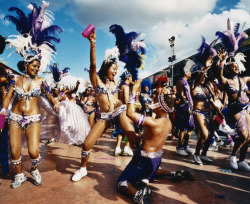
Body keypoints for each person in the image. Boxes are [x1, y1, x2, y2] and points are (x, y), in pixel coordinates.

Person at [1, 1, 62, 188]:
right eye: (33, 65)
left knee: (34, 151)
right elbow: (8, 98)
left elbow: (50, 95)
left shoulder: (41, 81)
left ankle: (34, 169)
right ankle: (19, 175)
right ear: (26, 65)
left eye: (38, 66)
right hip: (14, 118)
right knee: (14, 150)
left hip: (34, 118)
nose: (36, 68)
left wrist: (56, 103)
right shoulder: (15, 80)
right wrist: (2, 113)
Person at [72, 31, 138, 181]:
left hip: (119, 113)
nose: (115, 71)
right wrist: (92, 44)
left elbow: (122, 100)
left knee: (133, 140)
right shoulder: (97, 82)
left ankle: (142, 168)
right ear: (106, 67)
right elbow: (93, 65)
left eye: (117, 69)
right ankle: (82, 169)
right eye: (113, 68)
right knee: (87, 144)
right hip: (104, 117)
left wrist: (121, 101)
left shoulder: (116, 83)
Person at [117, 79, 176, 203]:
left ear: (160, 107)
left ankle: (138, 195)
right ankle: (172, 174)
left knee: (121, 183)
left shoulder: (153, 122)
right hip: (156, 161)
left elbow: (130, 112)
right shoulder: (168, 122)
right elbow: (153, 137)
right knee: (151, 172)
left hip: (143, 161)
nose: (152, 102)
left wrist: (133, 91)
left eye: (155, 101)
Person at [175, 60, 196, 156]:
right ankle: (180, 147)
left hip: (189, 107)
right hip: (184, 108)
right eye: (190, 71)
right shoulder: (180, 81)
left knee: (190, 128)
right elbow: (180, 95)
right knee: (183, 128)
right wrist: (185, 107)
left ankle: (186, 145)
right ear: (186, 72)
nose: (191, 72)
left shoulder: (187, 82)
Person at [113, 71, 134, 156]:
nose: (132, 79)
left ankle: (117, 148)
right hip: (125, 110)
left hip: (119, 110)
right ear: (128, 77)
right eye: (131, 77)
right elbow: (126, 100)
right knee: (128, 129)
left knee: (120, 130)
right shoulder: (126, 87)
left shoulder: (120, 86)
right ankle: (126, 148)